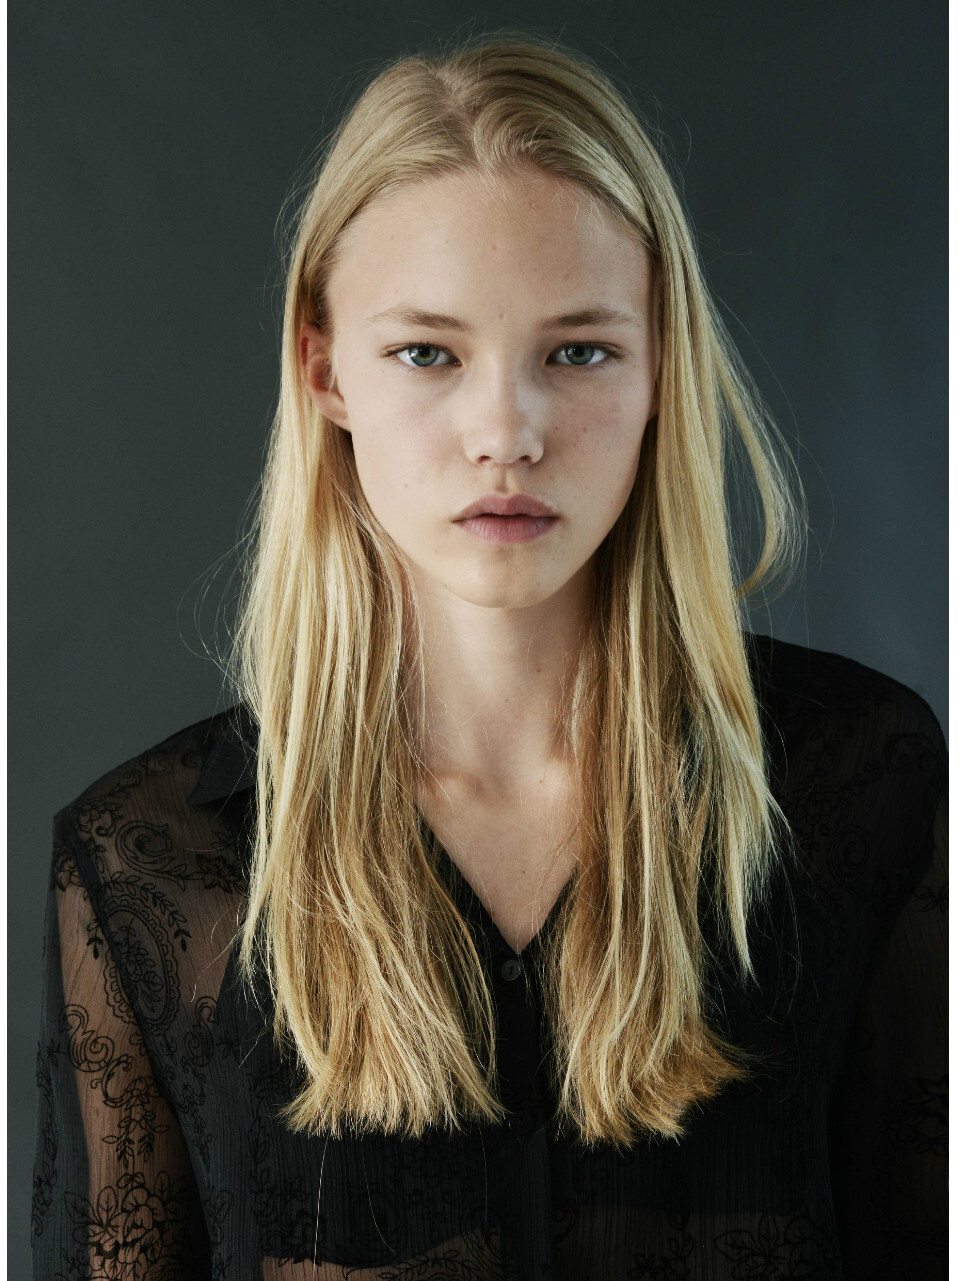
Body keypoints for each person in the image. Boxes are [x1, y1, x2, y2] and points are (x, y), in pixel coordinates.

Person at [32, 35, 946, 1281]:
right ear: (324, 370)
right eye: (428, 352)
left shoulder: (861, 783)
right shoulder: (146, 863)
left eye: (578, 350)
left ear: (661, 363)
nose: (506, 433)